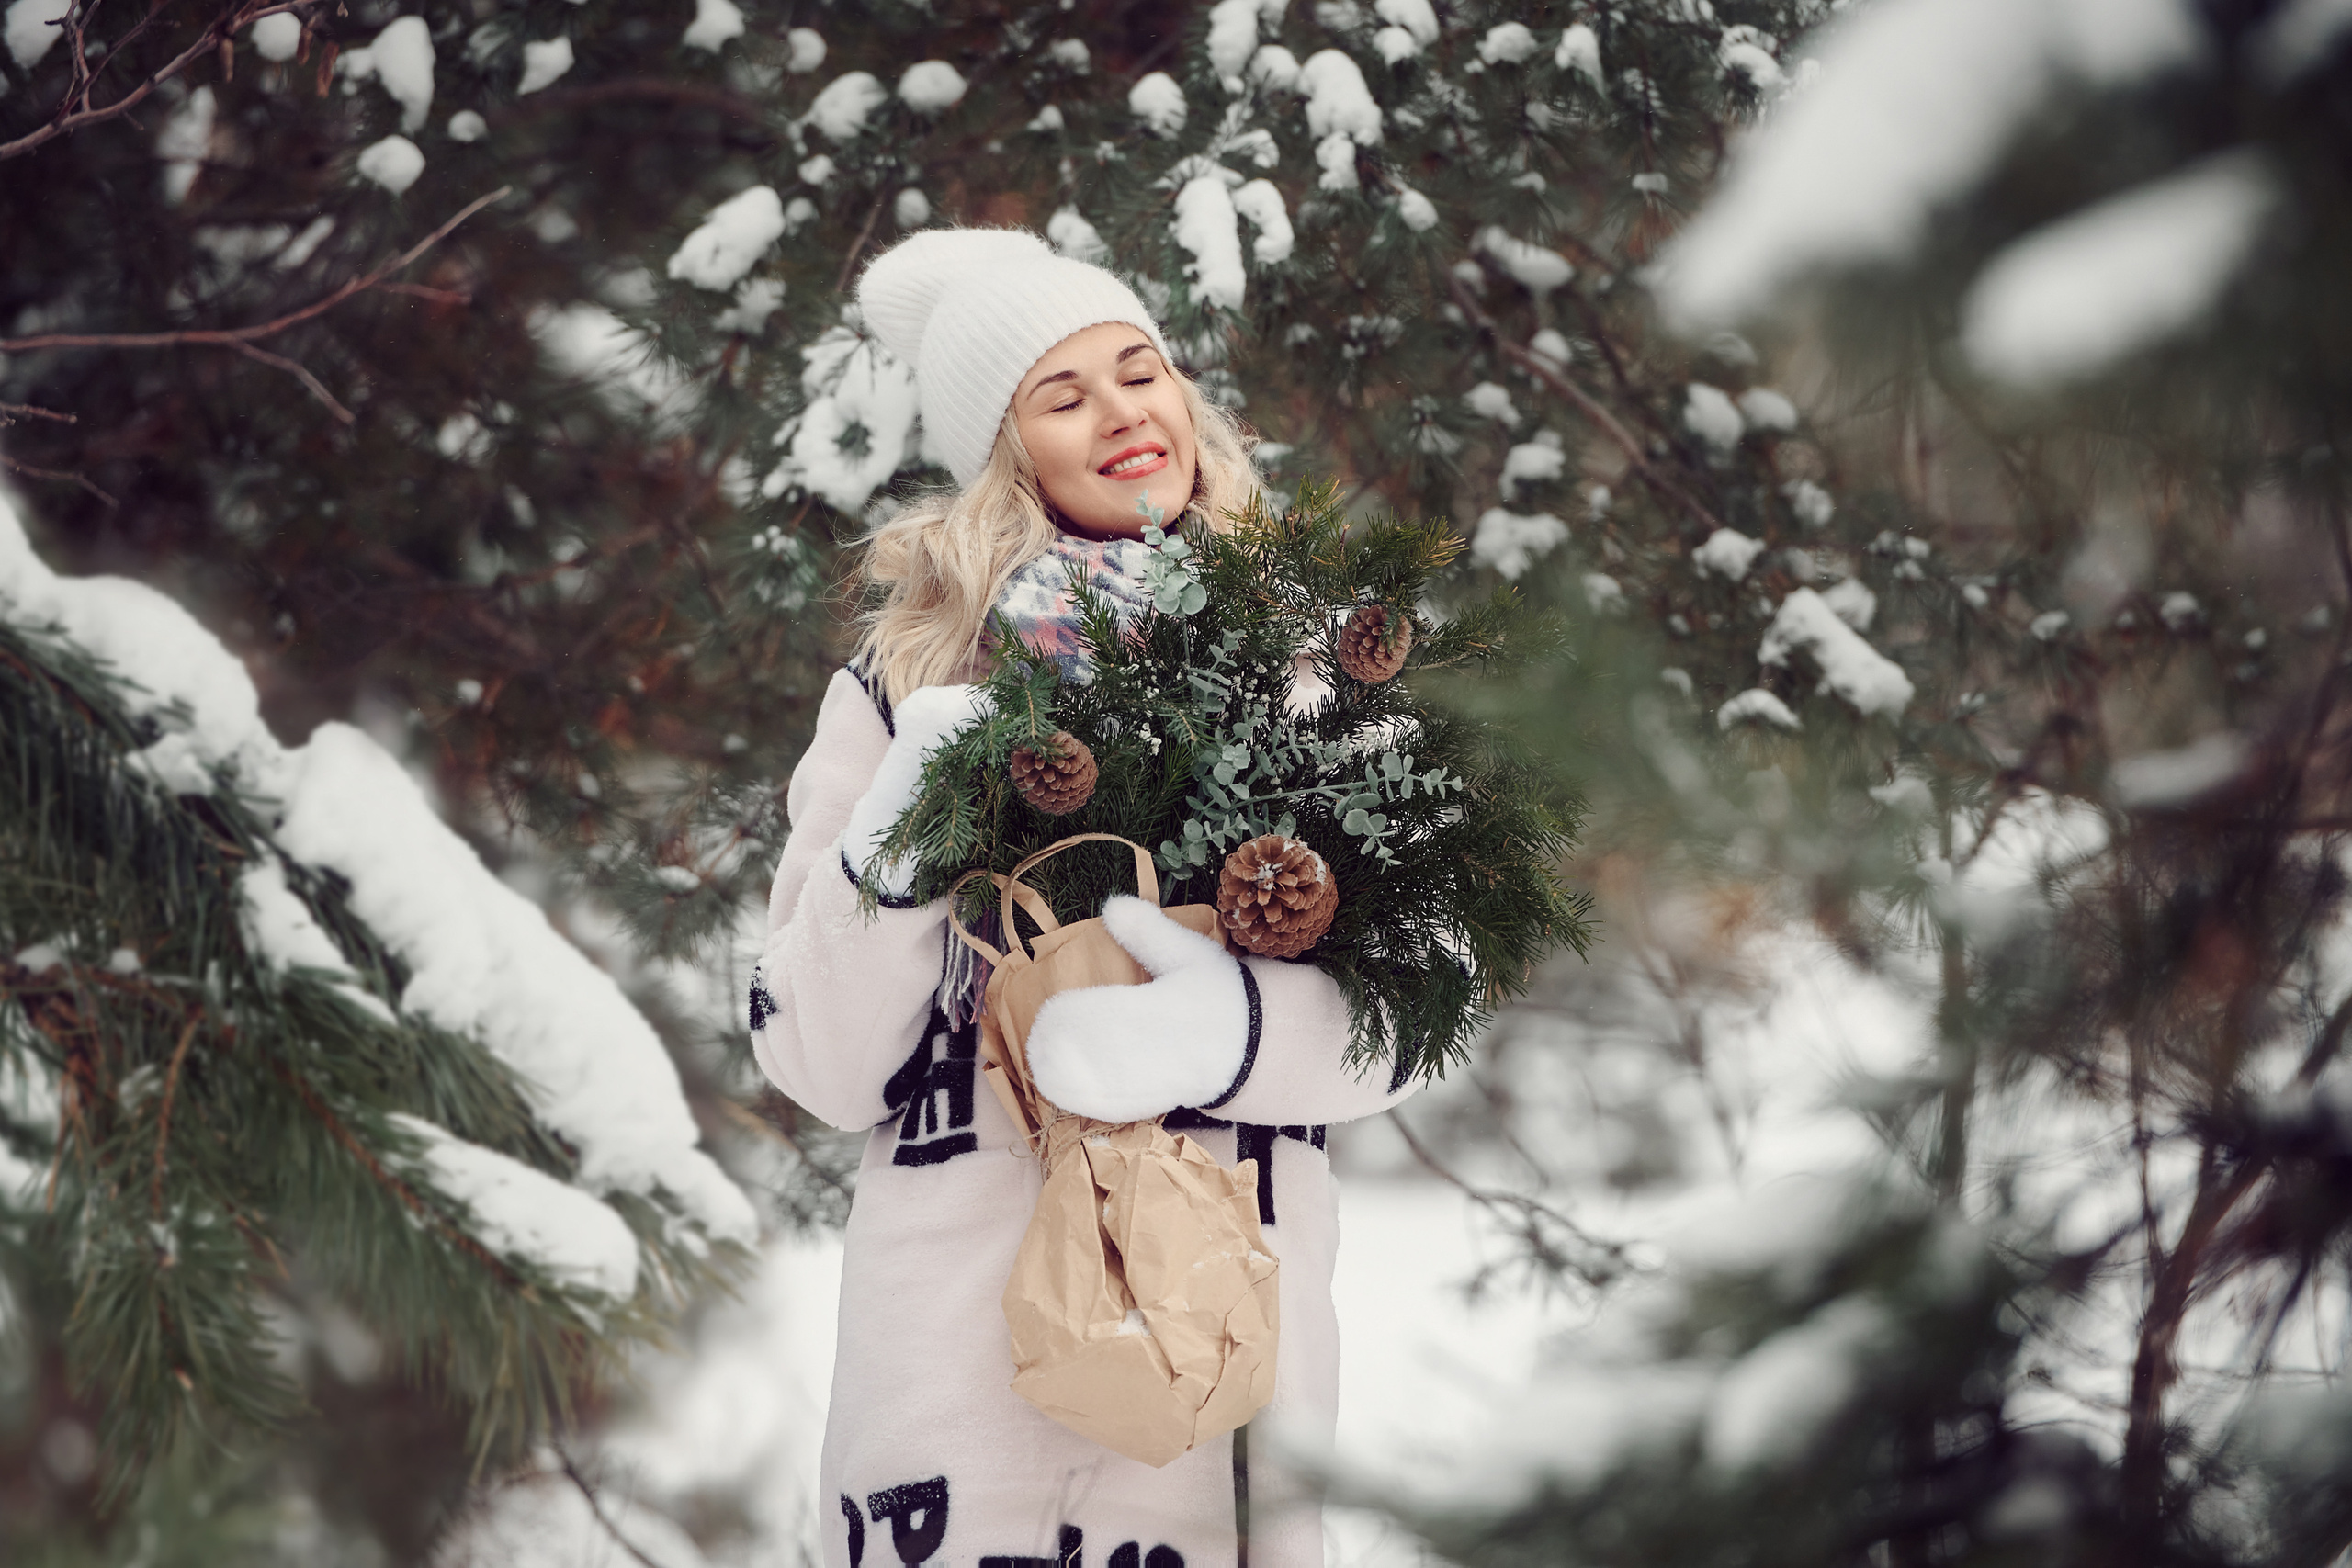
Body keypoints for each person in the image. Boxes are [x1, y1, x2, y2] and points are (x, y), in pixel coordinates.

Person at [750, 228, 1417, 1568]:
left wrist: (1223, 1035)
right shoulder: (902, 690)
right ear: (1008, 452)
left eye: (1140, 371)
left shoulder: (1311, 670)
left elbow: (1418, 1011)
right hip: (957, 1330)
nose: (1123, 415)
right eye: (1063, 395)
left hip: (1224, 1319)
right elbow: (817, 1058)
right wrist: (912, 809)